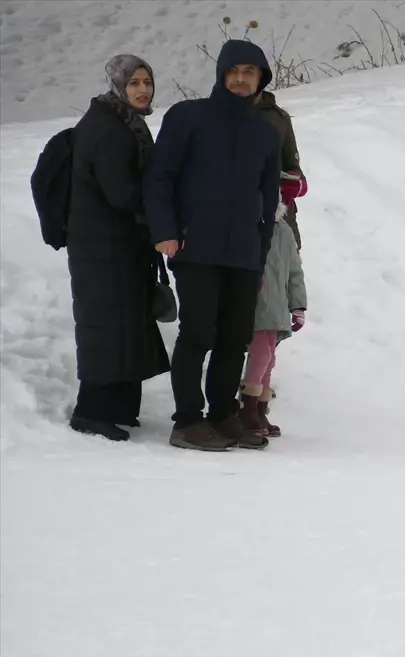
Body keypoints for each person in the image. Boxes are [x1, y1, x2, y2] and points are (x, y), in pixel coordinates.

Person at [143, 39, 282, 451]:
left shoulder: (265, 133)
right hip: (195, 244)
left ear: (260, 79)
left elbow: (268, 197)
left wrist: (259, 257)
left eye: (249, 72)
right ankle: (186, 421)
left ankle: (222, 415)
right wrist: (165, 230)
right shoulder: (188, 117)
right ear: (221, 74)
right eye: (234, 71)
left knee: (235, 335)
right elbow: (160, 176)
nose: (241, 79)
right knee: (199, 331)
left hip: (242, 251)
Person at [65, 54, 170, 442]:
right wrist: (162, 199)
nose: (142, 89)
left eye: (147, 81)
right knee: (106, 328)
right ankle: (90, 412)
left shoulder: (123, 121)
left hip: (119, 244)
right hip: (101, 247)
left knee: (126, 324)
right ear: (118, 85)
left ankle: (120, 407)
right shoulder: (108, 128)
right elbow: (122, 194)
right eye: (134, 83)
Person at [238, 189, 307, 438]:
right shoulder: (249, 229)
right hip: (257, 303)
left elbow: (294, 272)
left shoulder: (284, 232)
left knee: (269, 359)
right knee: (260, 354)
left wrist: (297, 305)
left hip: (276, 306)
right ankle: (248, 406)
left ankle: (260, 407)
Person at [253, 88, 305, 251]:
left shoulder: (279, 118)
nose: (241, 79)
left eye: (250, 71)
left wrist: (293, 185)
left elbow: (293, 166)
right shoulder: (215, 119)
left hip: (280, 220)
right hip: (235, 224)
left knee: (288, 273)